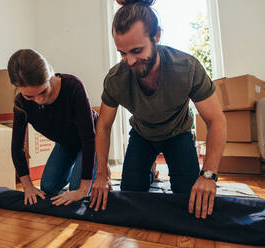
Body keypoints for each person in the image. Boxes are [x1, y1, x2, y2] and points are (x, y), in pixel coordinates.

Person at [90, 0, 227, 219]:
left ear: (156, 36)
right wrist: (102, 173)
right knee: (130, 196)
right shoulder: (116, 79)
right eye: (122, 53)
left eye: (137, 50)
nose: (130, 61)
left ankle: (156, 168)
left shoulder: (187, 68)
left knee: (189, 198)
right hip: (142, 135)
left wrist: (208, 175)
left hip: (178, 133)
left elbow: (216, 120)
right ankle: (150, 170)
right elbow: (104, 126)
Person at [8, 49, 98, 206]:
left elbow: (89, 138)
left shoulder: (73, 86)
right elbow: (17, 147)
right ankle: (85, 167)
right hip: (66, 143)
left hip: (94, 139)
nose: (39, 100)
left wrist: (84, 189)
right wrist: (28, 186)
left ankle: (101, 167)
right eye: (30, 96)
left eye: (43, 91)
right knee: (48, 187)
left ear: (50, 74)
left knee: (78, 189)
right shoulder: (21, 104)